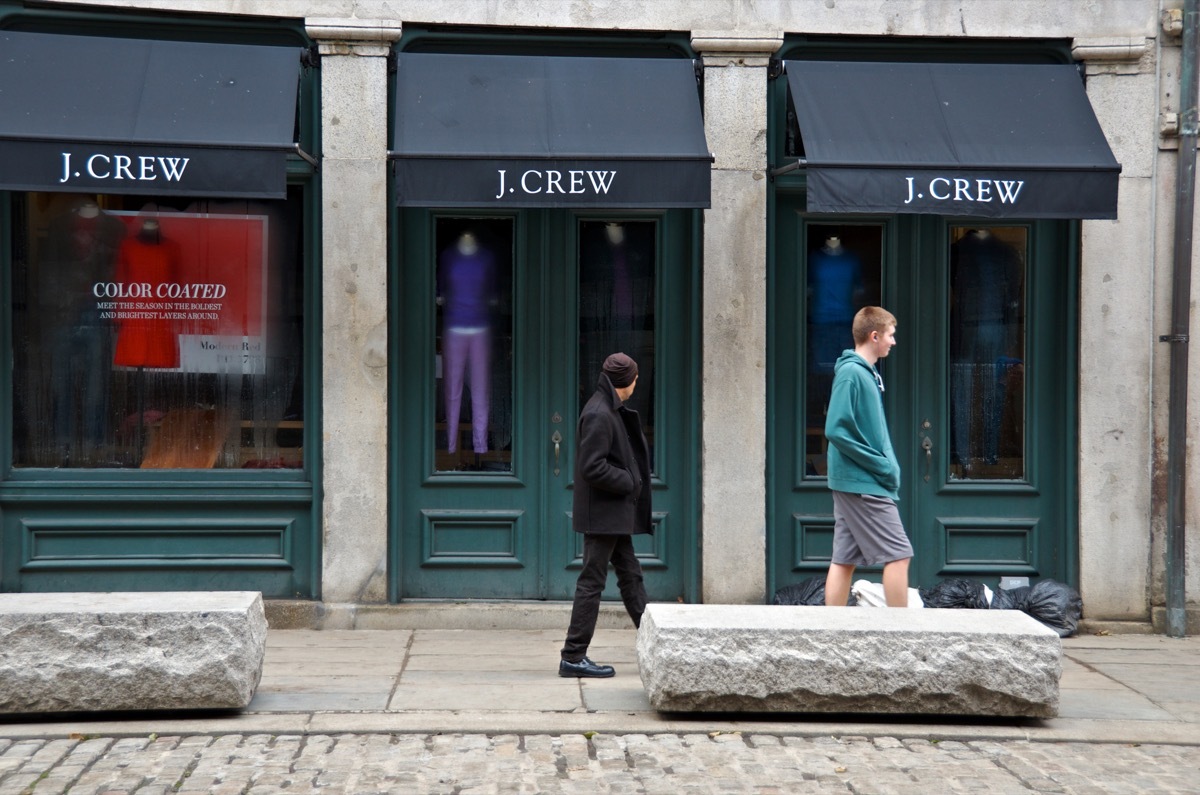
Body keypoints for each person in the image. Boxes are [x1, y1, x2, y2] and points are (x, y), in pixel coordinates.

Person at [559, 352, 651, 678]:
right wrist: (628, 481)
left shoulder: (609, 407)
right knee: (592, 582)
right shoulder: (600, 412)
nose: (637, 383)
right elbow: (592, 466)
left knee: (630, 575)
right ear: (626, 382)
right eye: (636, 379)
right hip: (603, 513)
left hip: (613, 512)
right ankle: (573, 655)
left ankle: (656, 641)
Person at [823, 306, 913, 607]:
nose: (893, 342)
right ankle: (901, 635)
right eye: (890, 335)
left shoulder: (863, 373)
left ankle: (830, 633)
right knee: (899, 555)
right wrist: (881, 465)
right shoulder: (852, 374)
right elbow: (836, 428)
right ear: (874, 336)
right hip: (864, 482)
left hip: (855, 480)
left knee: (844, 559)